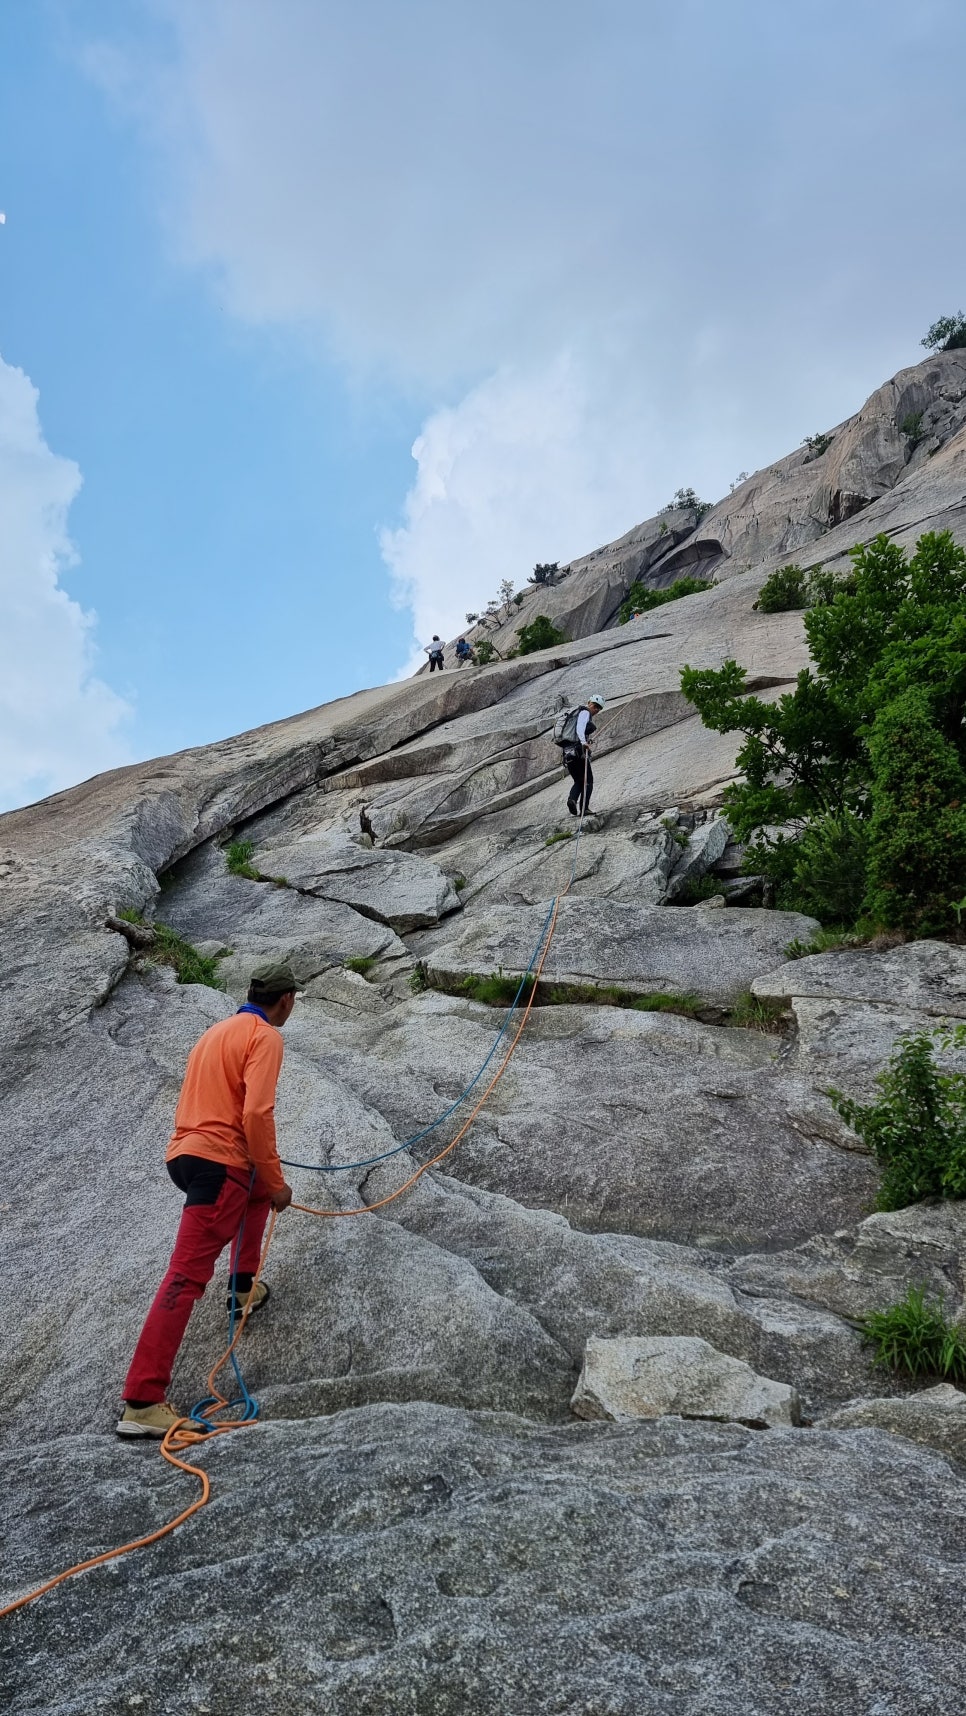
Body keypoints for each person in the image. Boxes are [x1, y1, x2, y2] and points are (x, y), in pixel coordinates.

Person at [116, 960, 298, 1438]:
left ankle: (242, 1289)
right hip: (220, 1167)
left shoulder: (215, 1032)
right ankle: (142, 1400)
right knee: (186, 1274)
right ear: (286, 1002)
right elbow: (256, 1112)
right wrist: (278, 1180)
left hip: (185, 1157)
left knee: (255, 1194)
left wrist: (265, 1182)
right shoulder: (267, 1037)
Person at [562, 694, 604, 817]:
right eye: (595, 706)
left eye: (599, 708)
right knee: (588, 781)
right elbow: (580, 729)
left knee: (578, 781)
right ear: (589, 703)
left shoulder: (576, 715)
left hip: (568, 753)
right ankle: (584, 809)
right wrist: (584, 743)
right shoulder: (584, 712)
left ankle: (572, 800)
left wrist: (585, 740)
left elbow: (578, 731)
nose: (596, 709)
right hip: (578, 752)